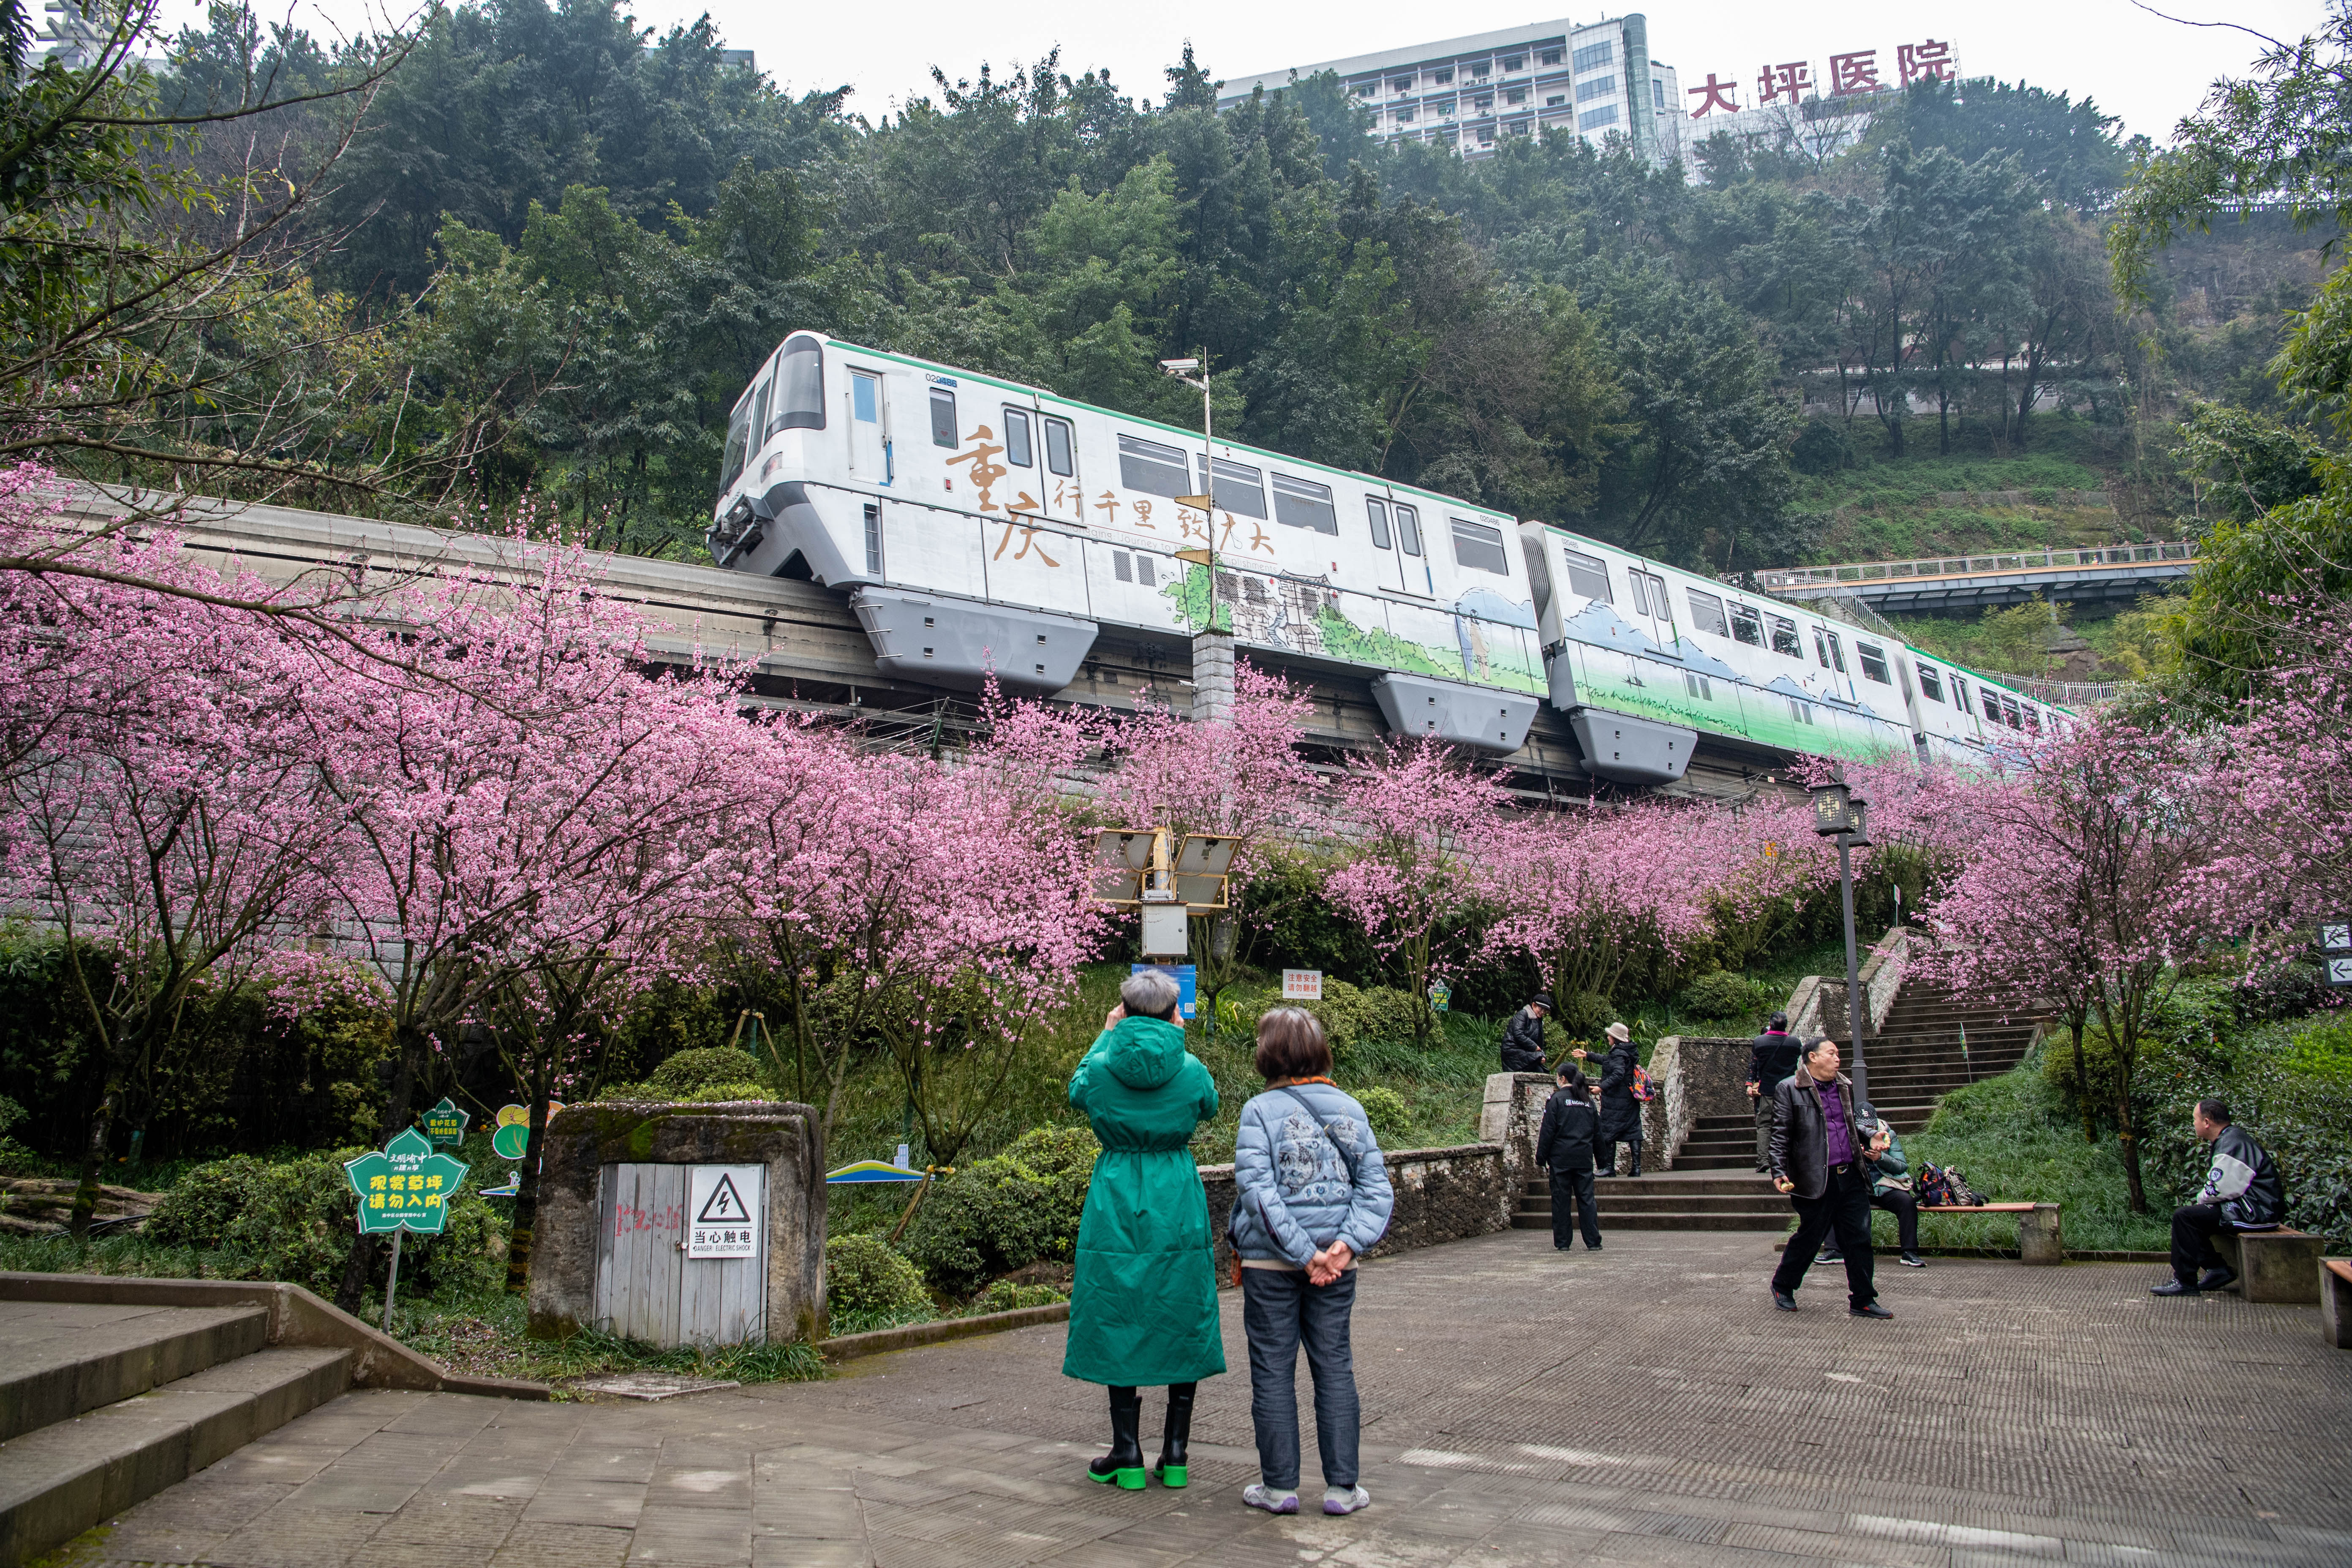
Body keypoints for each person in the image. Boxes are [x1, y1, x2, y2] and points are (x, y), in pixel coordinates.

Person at [1230, 1007, 1395, 1519]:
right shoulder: (1352, 1107)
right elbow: (1376, 1188)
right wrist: (1342, 1248)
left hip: (1271, 1267)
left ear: (1267, 1054)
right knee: (1335, 1368)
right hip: (1336, 1270)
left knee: (1273, 1373)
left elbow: (1256, 1190)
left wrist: (1306, 1254)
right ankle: (1343, 1488)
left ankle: (1279, 1488)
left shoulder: (1259, 1110)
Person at [1064, 969, 1225, 1489]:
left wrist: (1108, 1033)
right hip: (1174, 1191)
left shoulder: (1105, 1065)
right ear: (1173, 1012)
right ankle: (1175, 1453)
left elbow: (1076, 1091)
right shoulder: (1191, 1066)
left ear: (1125, 1011)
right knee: (1182, 1306)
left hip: (1116, 1190)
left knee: (1117, 1306)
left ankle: (1127, 1451)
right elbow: (1211, 1106)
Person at [1767, 1037, 1894, 1318]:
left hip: (1850, 1175)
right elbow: (1780, 1134)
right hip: (1815, 1178)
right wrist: (1778, 1170)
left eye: (1838, 1054)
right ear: (1813, 1057)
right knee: (1811, 1237)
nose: (1838, 1058)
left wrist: (1871, 1138)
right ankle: (1783, 1286)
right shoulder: (1789, 1089)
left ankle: (1862, 1300)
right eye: (1832, 1053)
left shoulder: (1843, 1086)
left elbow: (1849, 1124)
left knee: (1859, 1238)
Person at [2154, 1097, 2286, 1297]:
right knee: (2191, 1217)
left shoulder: (2231, 1143)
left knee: (2185, 1216)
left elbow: (2221, 1188)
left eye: (2195, 1119)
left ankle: (2186, 1280)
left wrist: (2201, 1200)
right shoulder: (2231, 1139)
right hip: (2252, 1207)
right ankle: (2216, 1269)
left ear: (2207, 1122)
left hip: (2256, 1212)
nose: (2194, 1124)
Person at [1818, 1101, 1925, 1270]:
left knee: (1907, 1203)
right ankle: (1834, 1250)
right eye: (1864, 1127)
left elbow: (1901, 1166)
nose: (1869, 1131)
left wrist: (1881, 1158)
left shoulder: (1889, 1133)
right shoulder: (1847, 1135)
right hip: (1858, 1187)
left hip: (1884, 1185)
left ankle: (1910, 1252)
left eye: (1871, 1126)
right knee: (1835, 1200)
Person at [1534, 1066, 1602, 1251]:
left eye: (1557, 1077)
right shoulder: (1588, 1101)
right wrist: (1602, 1160)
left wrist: (1541, 1158)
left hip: (1561, 1160)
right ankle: (1593, 1241)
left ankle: (1563, 1242)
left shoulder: (1556, 1100)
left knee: (1561, 1201)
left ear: (1562, 1079)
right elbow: (1597, 1133)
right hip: (1583, 1159)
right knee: (1587, 1200)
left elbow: (1548, 1131)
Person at [1574, 1022, 1642, 1177]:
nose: (1608, 1037)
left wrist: (1601, 1087)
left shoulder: (1618, 1053)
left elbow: (1618, 1073)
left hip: (1616, 1102)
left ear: (1616, 1038)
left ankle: (1609, 1168)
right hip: (1630, 1099)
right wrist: (1588, 1055)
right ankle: (1636, 1169)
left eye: (1610, 1035)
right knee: (1634, 1130)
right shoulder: (1628, 1051)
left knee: (1608, 1131)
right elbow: (1608, 1060)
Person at [1746, 1012, 1802, 1174]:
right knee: (1792, 1124)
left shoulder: (1760, 1042)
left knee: (1764, 1125)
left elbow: (1755, 1060)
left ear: (1770, 1025)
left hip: (1769, 1090)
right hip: (1790, 1091)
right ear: (1786, 1025)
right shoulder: (1794, 1043)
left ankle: (1763, 1160)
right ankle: (1790, 1159)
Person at [1500, 991, 1553, 1073]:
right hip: (1513, 1050)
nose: (1542, 1012)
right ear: (1534, 1005)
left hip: (1526, 1052)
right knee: (1539, 1070)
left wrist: (1543, 1055)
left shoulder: (1539, 1021)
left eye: (1545, 1011)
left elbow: (1539, 1043)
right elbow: (1518, 1034)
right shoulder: (1523, 1014)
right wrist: (1534, 1047)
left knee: (1542, 1071)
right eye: (1541, 1009)